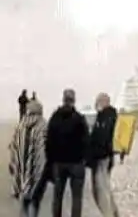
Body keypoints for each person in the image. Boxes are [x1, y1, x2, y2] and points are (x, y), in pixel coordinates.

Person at [46, 89, 89, 217]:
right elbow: (86, 141)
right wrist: (84, 159)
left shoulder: (55, 117)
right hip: (76, 163)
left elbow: (49, 141)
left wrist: (50, 161)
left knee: (57, 196)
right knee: (77, 198)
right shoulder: (79, 119)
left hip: (59, 163)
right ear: (74, 100)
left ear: (63, 99)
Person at [9, 99, 49, 215]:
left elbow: (14, 145)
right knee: (36, 198)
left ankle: (24, 212)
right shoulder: (43, 125)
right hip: (38, 166)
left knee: (25, 196)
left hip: (22, 166)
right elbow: (46, 146)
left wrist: (13, 162)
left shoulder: (21, 125)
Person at [88, 93, 119, 217]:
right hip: (105, 157)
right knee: (105, 187)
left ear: (103, 102)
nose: (96, 105)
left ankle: (107, 213)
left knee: (102, 189)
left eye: (97, 102)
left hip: (102, 158)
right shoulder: (109, 116)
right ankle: (113, 212)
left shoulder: (106, 117)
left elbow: (102, 138)